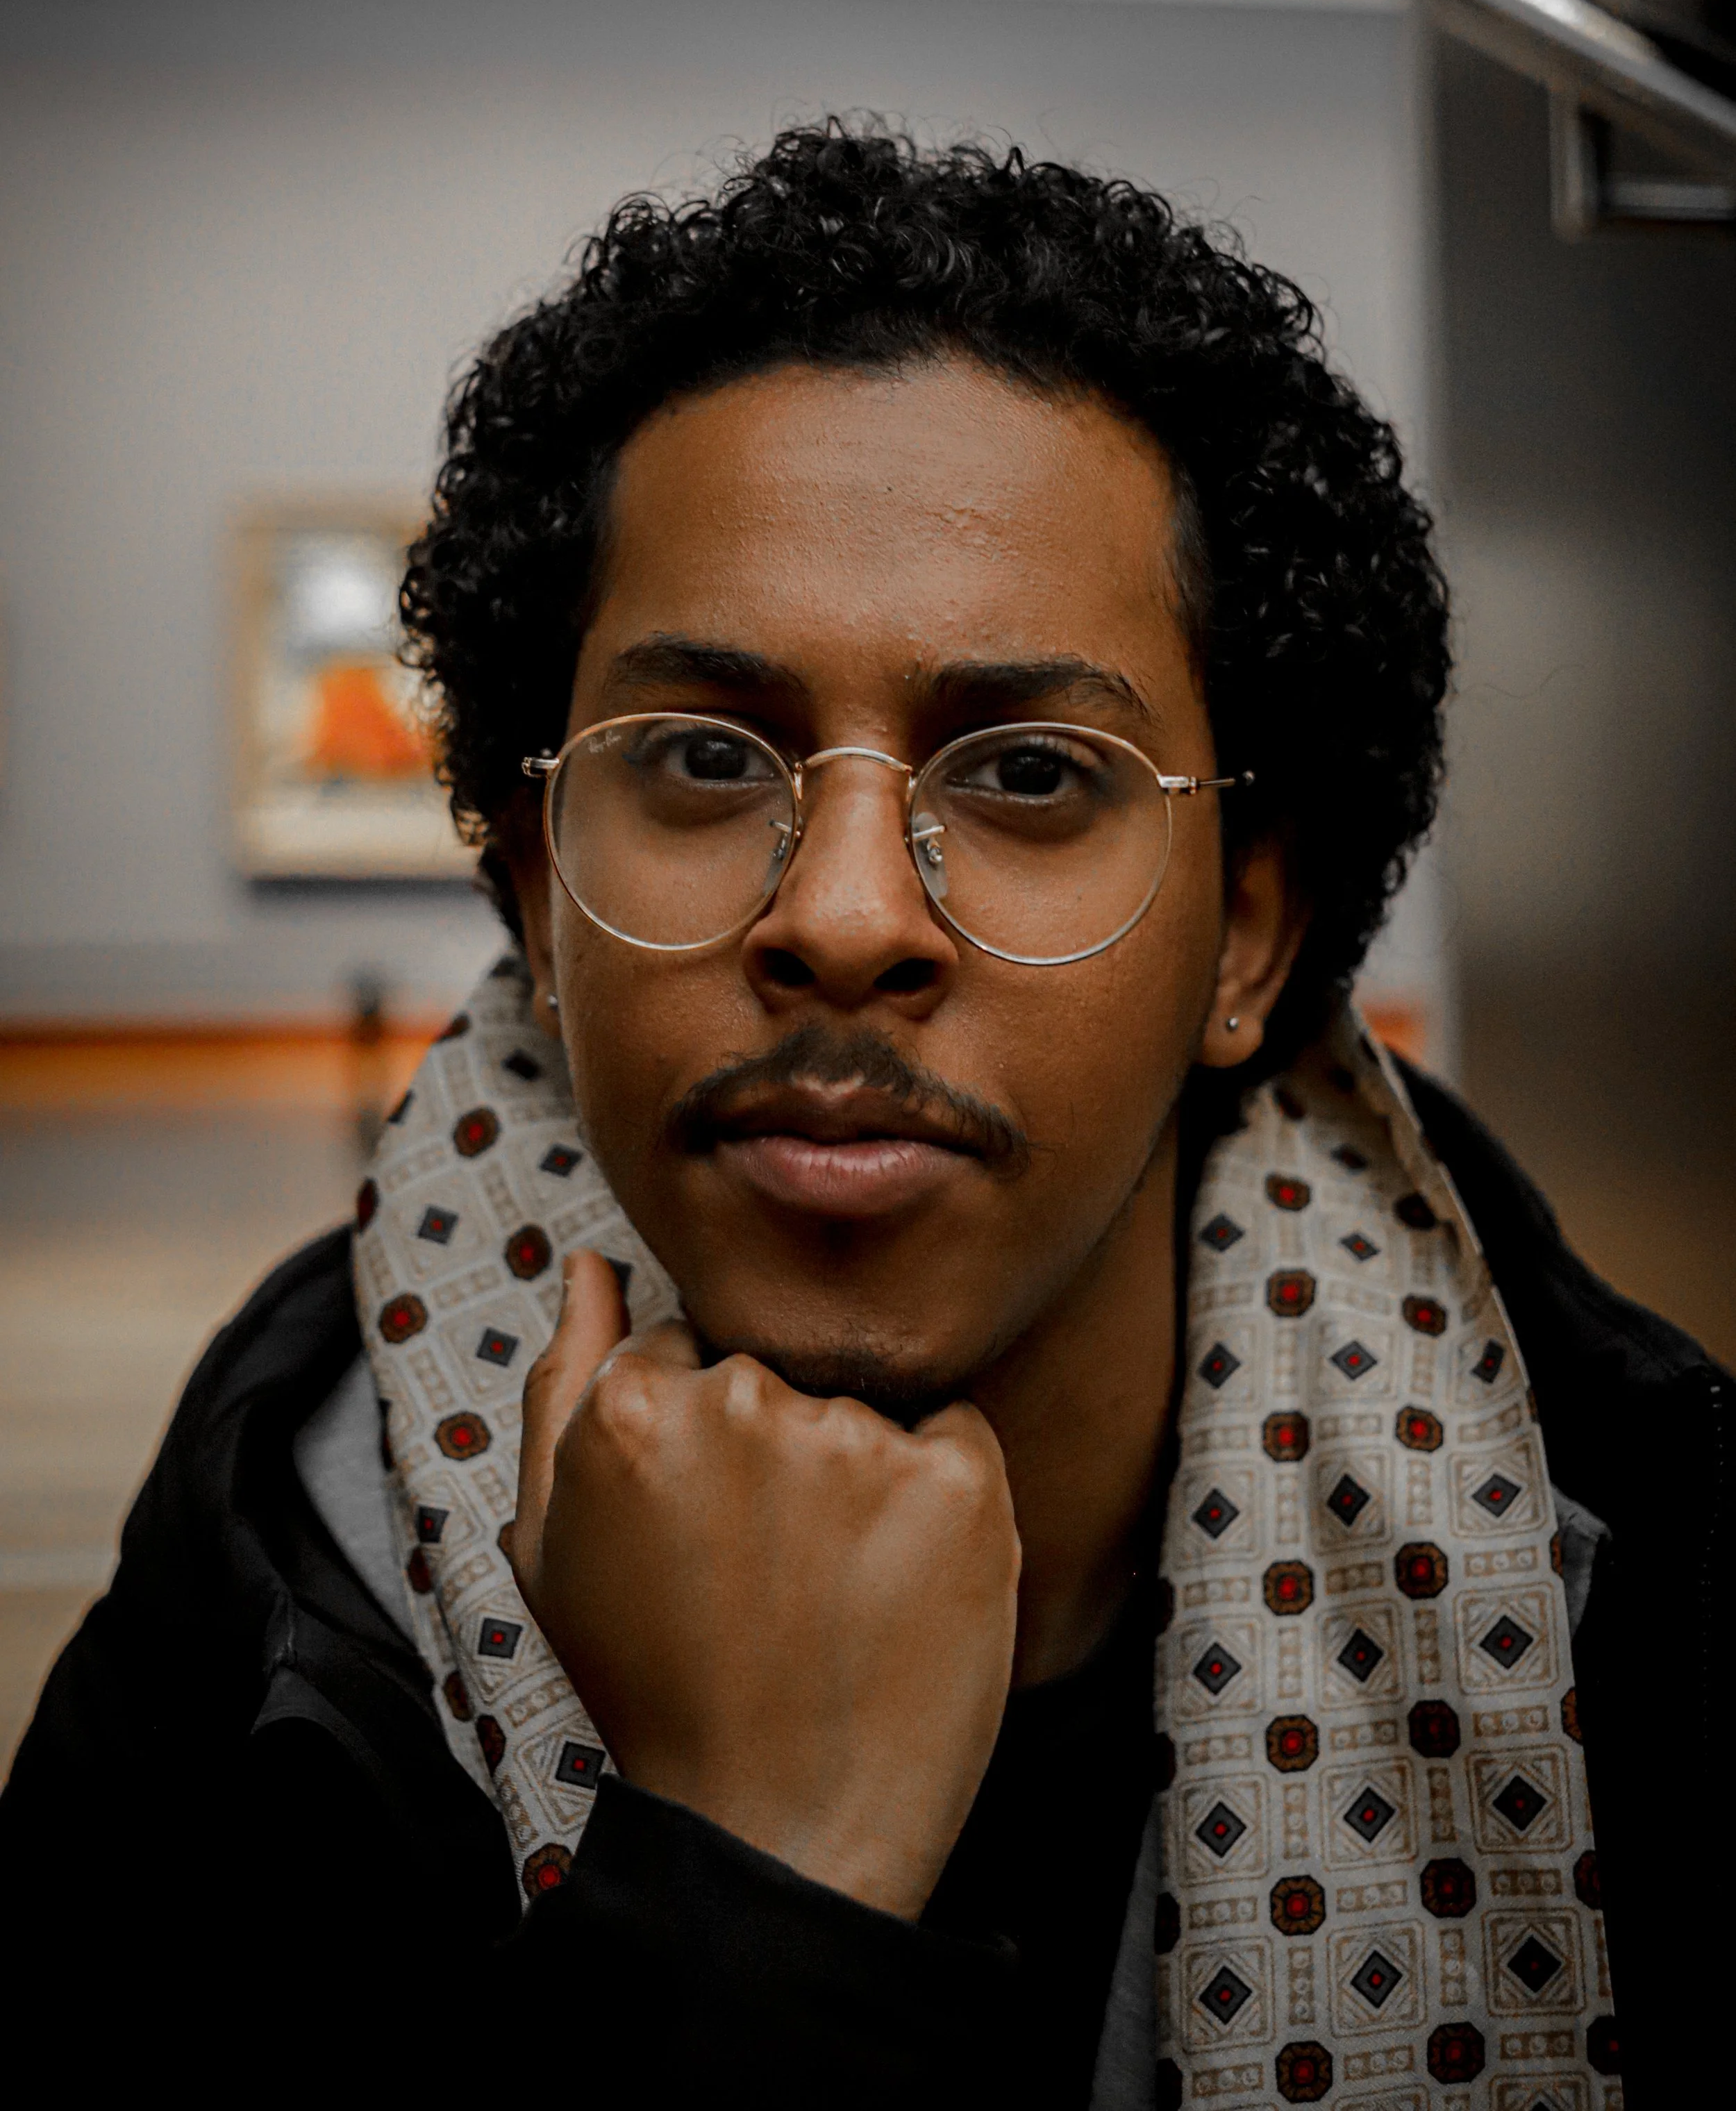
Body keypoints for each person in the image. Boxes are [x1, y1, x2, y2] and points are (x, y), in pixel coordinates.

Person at [3, 125, 1723, 2103]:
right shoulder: (279, 1535)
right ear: (534, 893)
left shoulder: (1626, 1570)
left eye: (1028, 776)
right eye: (707, 756)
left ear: (1247, 931)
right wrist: (747, 1887)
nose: (837, 914)